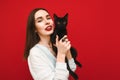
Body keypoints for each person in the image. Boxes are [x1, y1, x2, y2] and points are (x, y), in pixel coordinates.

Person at [24, 8, 76, 80]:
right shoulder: (35, 53)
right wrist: (61, 54)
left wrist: (67, 51)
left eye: (48, 18)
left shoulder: (57, 44)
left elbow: (72, 68)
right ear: (34, 29)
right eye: (40, 20)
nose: (47, 22)